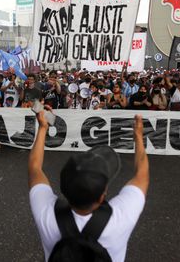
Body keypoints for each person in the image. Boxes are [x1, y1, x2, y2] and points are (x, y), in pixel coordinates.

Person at [28, 108, 148, 262]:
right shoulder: (121, 217)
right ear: (102, 197)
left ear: (63, 190)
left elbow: (34, 167)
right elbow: (142, 174)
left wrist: (43, 127)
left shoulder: (47, 213)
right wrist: (138, 135)